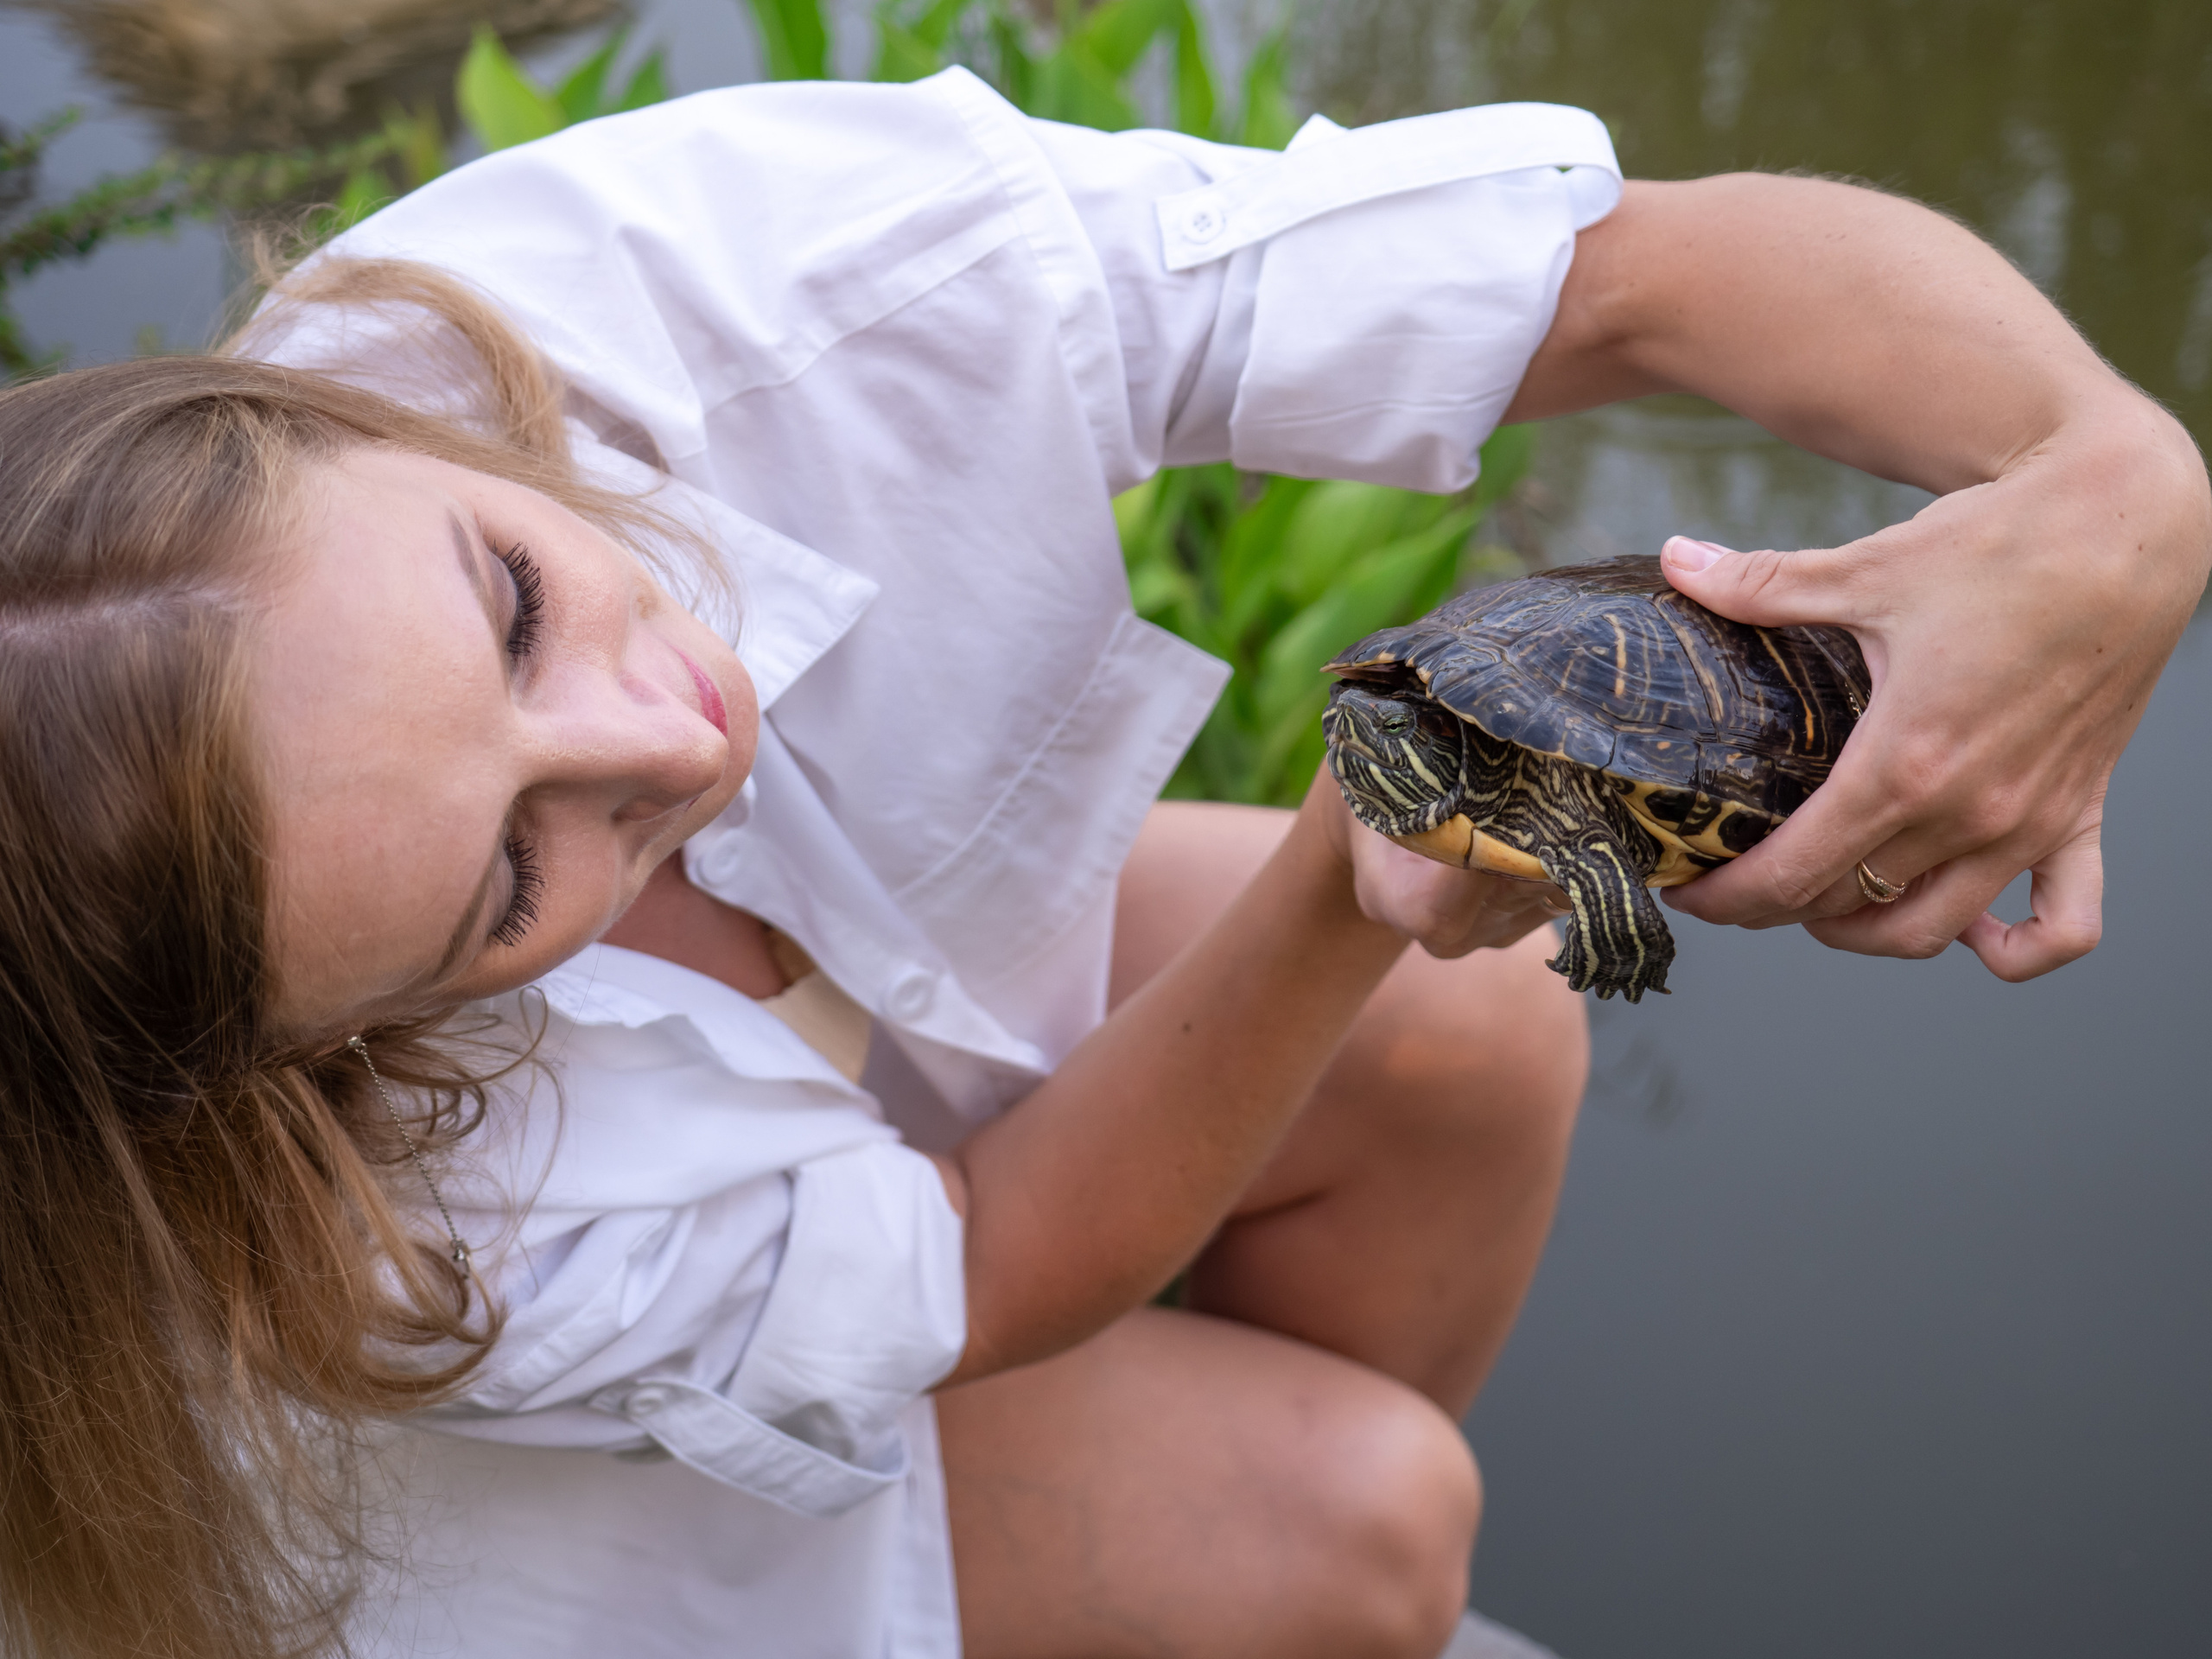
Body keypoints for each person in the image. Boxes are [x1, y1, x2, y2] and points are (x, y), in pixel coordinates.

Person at [0, 65, 2201, 1659]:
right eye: (506, 883)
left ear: (348, 424)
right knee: (1363, 1531)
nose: (672, 730)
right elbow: (983, 1258)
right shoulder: (391, 1241)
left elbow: (1626, 286)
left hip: (884, 983)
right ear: (330, 1046)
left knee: (1481, 1044)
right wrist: (1348, 880)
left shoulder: (738, 277)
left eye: (508, 601)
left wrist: (2112, 480)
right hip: (555, 1506)